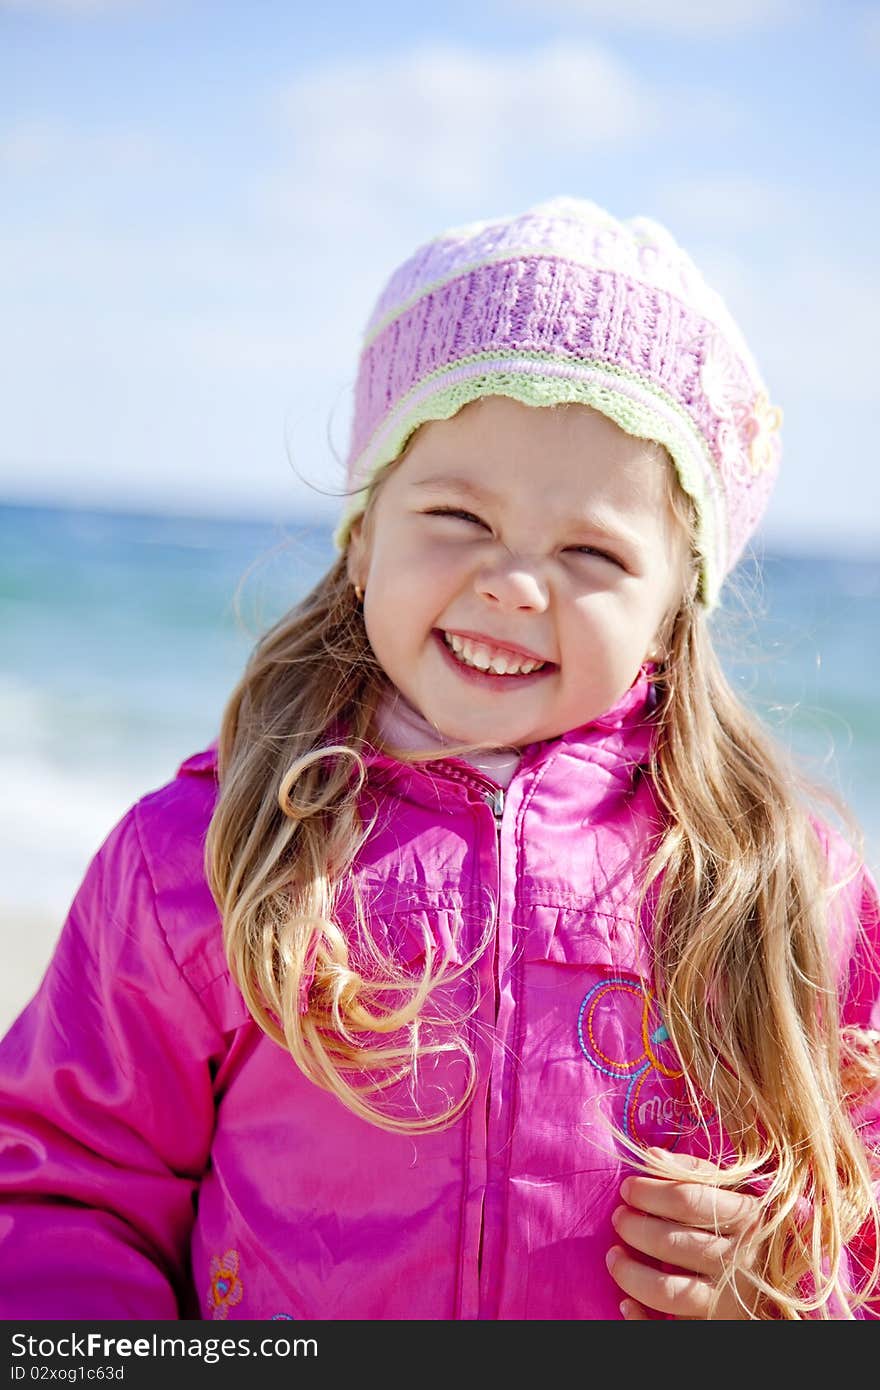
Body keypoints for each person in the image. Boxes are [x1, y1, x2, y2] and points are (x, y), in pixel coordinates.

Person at [1, 197, 878, 1322]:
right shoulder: (201, 858)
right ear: (363, 534)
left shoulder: (772, 888)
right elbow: (70, 1186)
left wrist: (788, 1271)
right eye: (458, 516)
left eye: (591, 550)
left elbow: (847, 1199)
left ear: (672, 611)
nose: (515, 581)